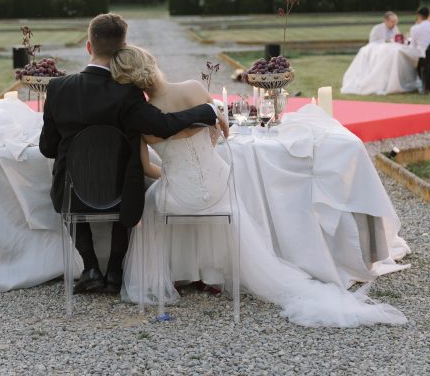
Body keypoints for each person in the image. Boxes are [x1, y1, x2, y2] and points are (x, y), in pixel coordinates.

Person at [111, 45, 408, 327]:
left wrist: (173, 175)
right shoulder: (192, 88)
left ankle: (177, 273)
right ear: (153, 63)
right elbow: (220, 132)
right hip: (216, 186)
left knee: (153, 200)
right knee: (221, 188)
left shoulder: (141, 119)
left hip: (178, 195)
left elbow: (147, 167)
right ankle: (212, 274)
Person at [39, 13, 224, 295]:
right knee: (127, 175)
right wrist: (209, 109)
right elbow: (163, 126)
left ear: (89, 46)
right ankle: (115, 269)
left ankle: (90, 267)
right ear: (123, 48)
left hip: (73, 193)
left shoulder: (57, 88)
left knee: (68, 178)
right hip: (120, 193)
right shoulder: (127, 93)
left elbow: (47, 148)